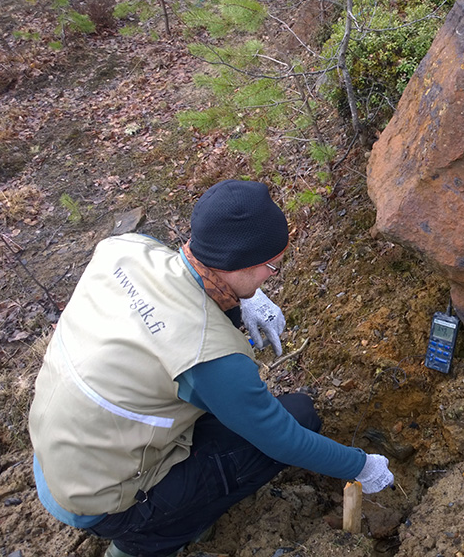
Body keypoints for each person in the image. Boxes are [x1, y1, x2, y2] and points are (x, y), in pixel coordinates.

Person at [28, 179, 394, 557]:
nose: (273, 274)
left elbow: (181, 280)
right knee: (299, 416)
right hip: (100, 498)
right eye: (272, 267)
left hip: (57, 456)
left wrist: (239, 300)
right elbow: (283, 439)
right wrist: (360, 465)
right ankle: (149, 540)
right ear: (239, 264)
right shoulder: (209, 356)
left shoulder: (125, 249)